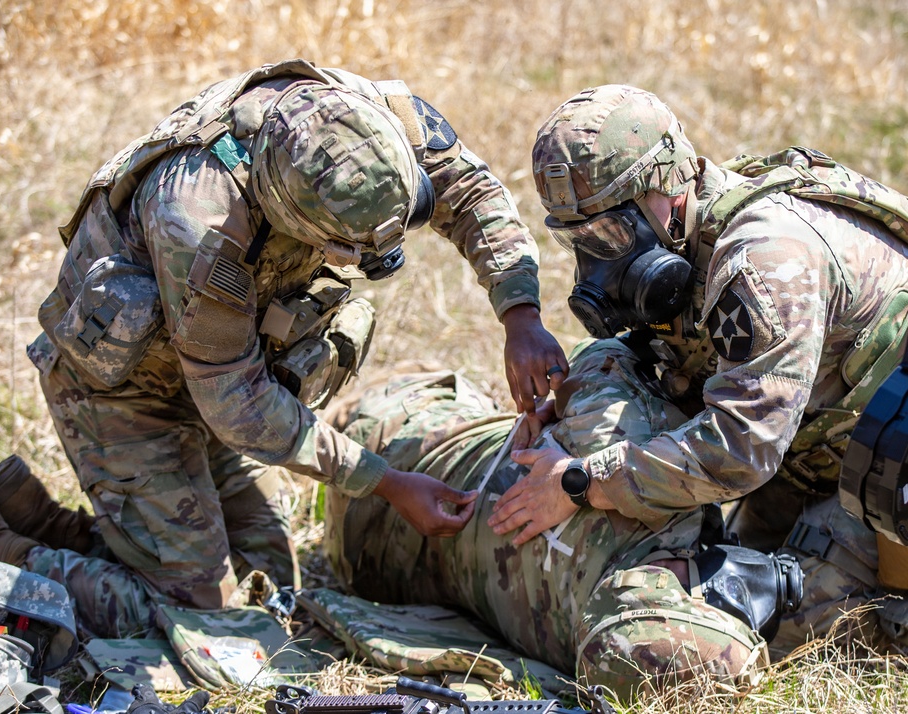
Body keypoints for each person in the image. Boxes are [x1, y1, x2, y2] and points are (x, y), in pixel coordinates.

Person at [0, 59, 567, 625]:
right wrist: (384, 481)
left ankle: (46, 523)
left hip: (217, 367)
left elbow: (472, 192)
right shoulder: (200, 220)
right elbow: (237, 404)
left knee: (266, 576)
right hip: (124, 393)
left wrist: (520, 315)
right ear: (287, 213)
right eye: (349, 249)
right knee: (202, 608)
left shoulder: (365, 122)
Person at [322, 84, 908, 698]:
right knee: (730, 567)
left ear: (667, 188)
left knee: (790, 622)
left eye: (606, 235)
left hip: (886, 485)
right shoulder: (693, 236)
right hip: (818, 454)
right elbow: (678, 364)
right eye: (577, 240)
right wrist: (563, 402)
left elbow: (741, 448)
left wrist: (579, 480)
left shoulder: (764, 260)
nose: (595, 263)